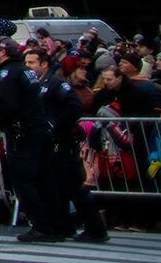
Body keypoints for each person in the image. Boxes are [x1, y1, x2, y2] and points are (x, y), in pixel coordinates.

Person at [0, 38, 58, 244]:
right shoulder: (24, 70)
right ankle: (55, 224)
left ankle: (42, 227)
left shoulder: (9, 72)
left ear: (3, 51)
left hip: (23, 132)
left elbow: (8, 105)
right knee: (44, 179)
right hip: (37, 128)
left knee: (24, 180)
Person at [31, 47, 106, 243]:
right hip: (50, 142)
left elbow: (75, 107)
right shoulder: (37, 84)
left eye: (31, 63)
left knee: (75, 186)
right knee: (57, 187)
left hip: (63, 142)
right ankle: (63, 226)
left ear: (44, 64)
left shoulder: (57, 84)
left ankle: (95, 228)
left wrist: (55, 125)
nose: (28, 66)